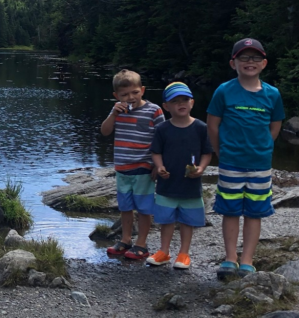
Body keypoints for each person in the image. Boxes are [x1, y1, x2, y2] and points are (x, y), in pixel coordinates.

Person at [207, 38, 285, 280]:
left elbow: (275, 126)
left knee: (255, 212)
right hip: (231, 162)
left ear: (263, 63)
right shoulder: (224, 91)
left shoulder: (272, 94)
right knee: (230, 211)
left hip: (260, 164)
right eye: (243, 58)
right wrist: (221, 152)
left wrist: (262, 148)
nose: (249, 62)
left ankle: (248, 260)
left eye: (254, 58)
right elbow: (213, 125)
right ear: (234, 63)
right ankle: (230, 258)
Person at [100, 69, 166, 261]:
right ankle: (126, 239)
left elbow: (162, 139)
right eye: (124, 95)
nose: (130, 97)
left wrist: (157, 165)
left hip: (143, 168)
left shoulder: (154, 111)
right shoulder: (117, 111)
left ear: (142, 90)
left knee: (144, 208)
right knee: (125, 206)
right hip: (122, 168)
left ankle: (142, 244)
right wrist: (113, 114)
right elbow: (104, 132)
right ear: (116, 96)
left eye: (134, 93)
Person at [146, 82, 213, 270]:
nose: (181, 104)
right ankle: (164, 252)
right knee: (166, 220)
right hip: (167, 185)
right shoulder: (163, 129)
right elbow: (156, 152)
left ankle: (184, 254)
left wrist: (201, 168)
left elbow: (207, 152)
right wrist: (159, 168)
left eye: (184, 100)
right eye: (175, 101)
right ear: (166, 107)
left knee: (187, 220)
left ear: (192, 102)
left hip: (190, 186)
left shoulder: (201, 127)